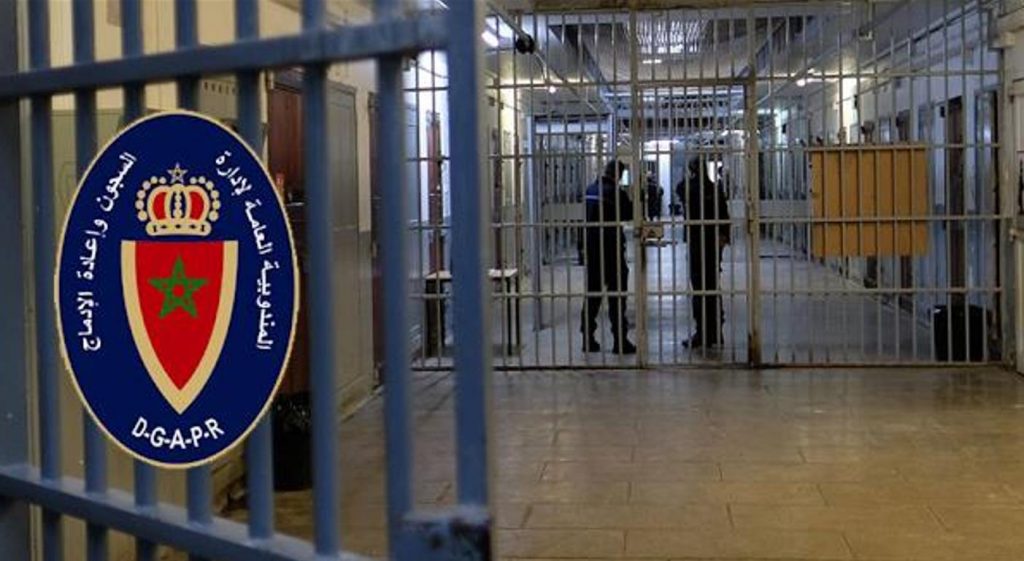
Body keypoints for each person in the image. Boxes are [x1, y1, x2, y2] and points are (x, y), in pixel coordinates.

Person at [580, 160, 637, 354]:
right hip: (611, 249)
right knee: (617, 297)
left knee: (592, 296)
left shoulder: (590, 190)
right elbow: (629, 214)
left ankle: (587, 338)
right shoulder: (616, 193)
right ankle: (620, 341)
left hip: (592, 249)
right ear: (618, 175)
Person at [677, 156, 730, 348]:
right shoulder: (715, 190)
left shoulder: (688, 188)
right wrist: (723, 239)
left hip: (697, 242)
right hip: (712, 242)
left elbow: (679, 188)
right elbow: (724, 216)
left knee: (700, 289)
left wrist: (689, 176)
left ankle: (702, 332)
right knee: (713, 287)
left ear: (691, 170)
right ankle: (716, 332)